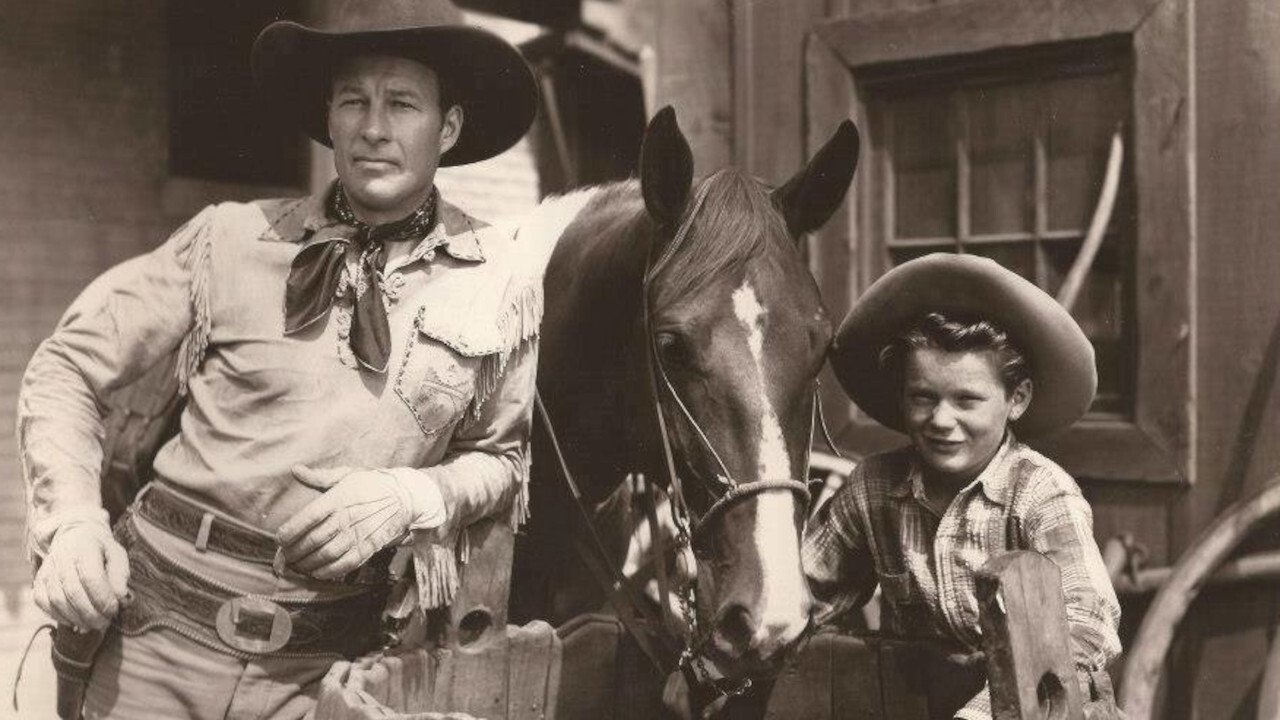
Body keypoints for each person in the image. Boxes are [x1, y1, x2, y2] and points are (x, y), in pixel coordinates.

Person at [16, 0, 541, 717]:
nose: (375, 127)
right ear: (329, 117)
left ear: (447, 126)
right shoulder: (230, 239)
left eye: (403, 103)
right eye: (353, 100)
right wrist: (71, 523)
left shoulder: (501, 281)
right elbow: (65, 367)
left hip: (329, 673)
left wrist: (413, 497)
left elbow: (502, 460)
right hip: (156, 637)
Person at [805, 253, 1122, 720]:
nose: (940, 421)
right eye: (923, 397)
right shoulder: (873, 487)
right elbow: (808, 591)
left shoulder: (1041, 493)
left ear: (1017, 399)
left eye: (967, 401)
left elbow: (1089, 622)